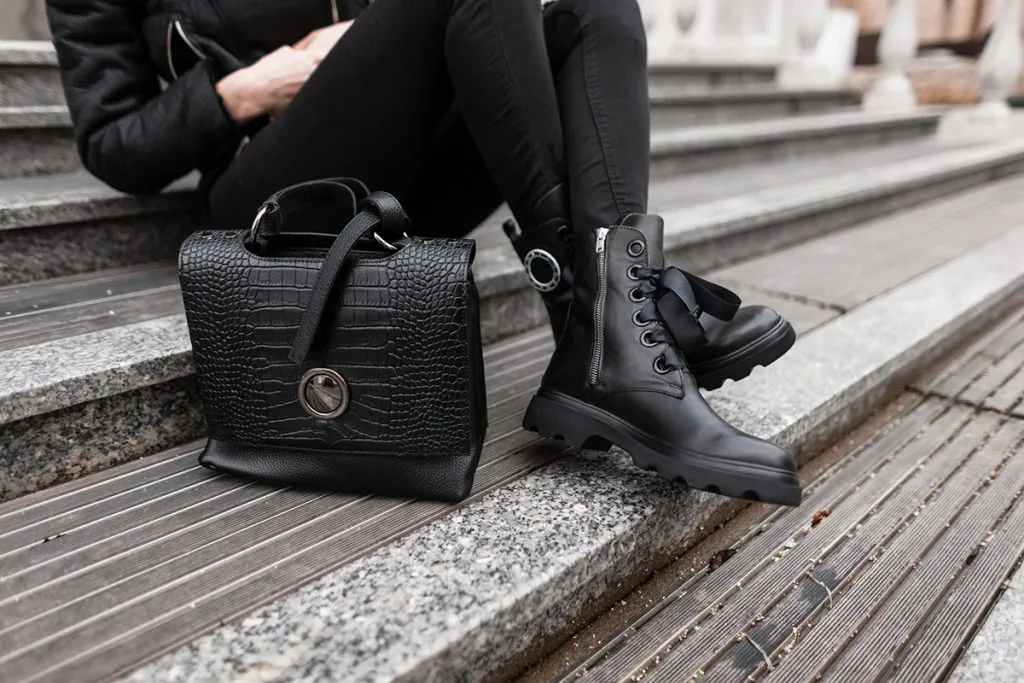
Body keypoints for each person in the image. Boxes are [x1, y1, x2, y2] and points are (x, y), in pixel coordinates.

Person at [46, 0, 801, 506]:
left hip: (404, 186)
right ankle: (610, 321)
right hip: (274, 198)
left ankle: (609, 303)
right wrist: (255, 86)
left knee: (590, 8)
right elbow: (114, 142)